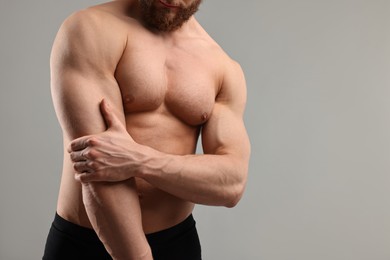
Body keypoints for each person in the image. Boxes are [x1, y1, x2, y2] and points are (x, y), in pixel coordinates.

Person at [43, 0, 251, 259]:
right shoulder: (91, 29)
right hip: (86, 243)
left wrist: (141, 161)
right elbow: (97, 168)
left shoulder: (223, 67)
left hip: (177, 243)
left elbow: (231, 184)